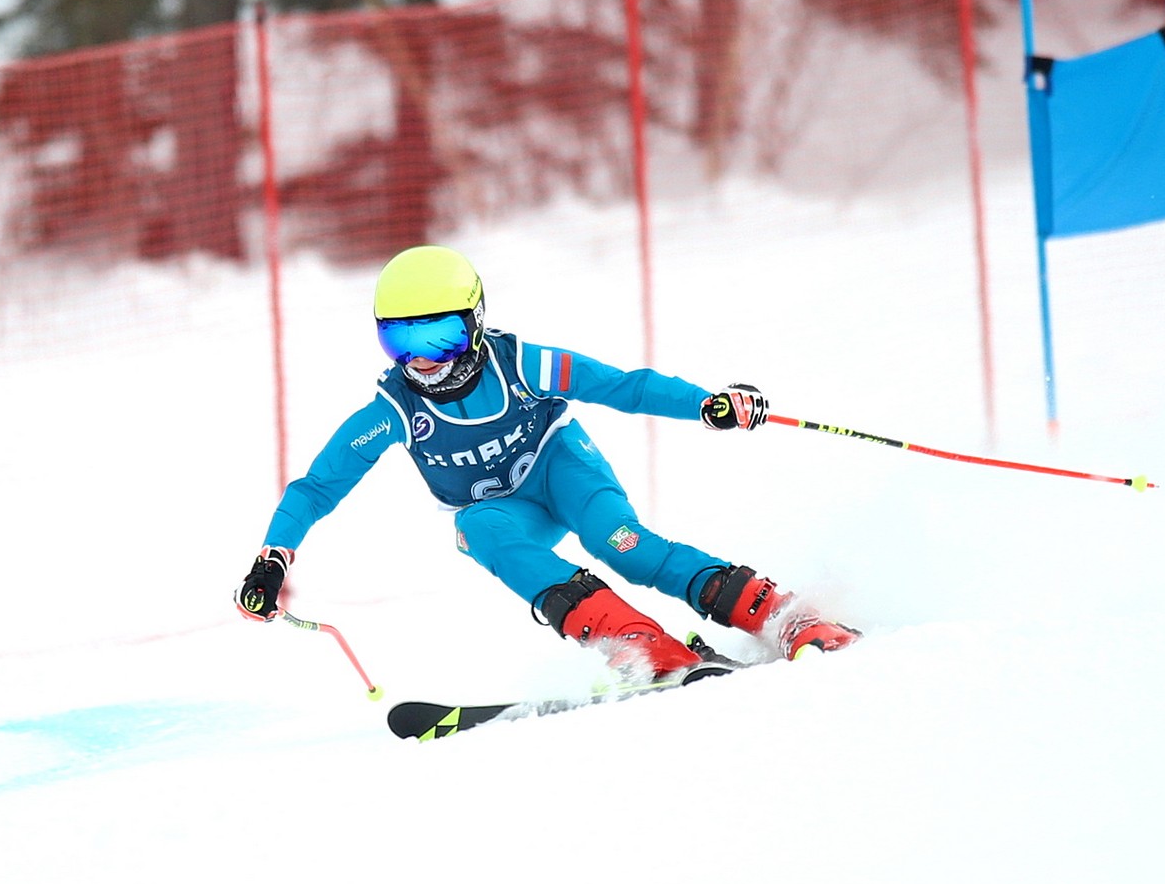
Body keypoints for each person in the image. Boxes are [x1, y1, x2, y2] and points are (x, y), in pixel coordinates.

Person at [236, 245, 858, 682]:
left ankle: (782, 614)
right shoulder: (394, 409)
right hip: (503, 511)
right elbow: (317, 487)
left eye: (440, 339)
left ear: (475, 324)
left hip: (563, 472)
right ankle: (636, 641)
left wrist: (709, 405)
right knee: (473, 530)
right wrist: (273, 558)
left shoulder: (524, 366)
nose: (423, 362)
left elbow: (624, 387)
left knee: (625, 547)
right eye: (402, 342)